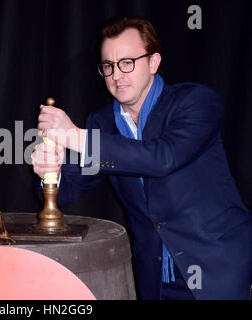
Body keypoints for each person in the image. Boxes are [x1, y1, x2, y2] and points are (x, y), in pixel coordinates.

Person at [31, 16, 252, 300]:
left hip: (220, 269)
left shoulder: (195, 101)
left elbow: (163, 158)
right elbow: (67, 188)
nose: (116, 75)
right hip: (155, 280)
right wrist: (51, 172)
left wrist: (75, 136)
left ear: (153, 62)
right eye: (108, 66)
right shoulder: (102, 122)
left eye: (127, 62)